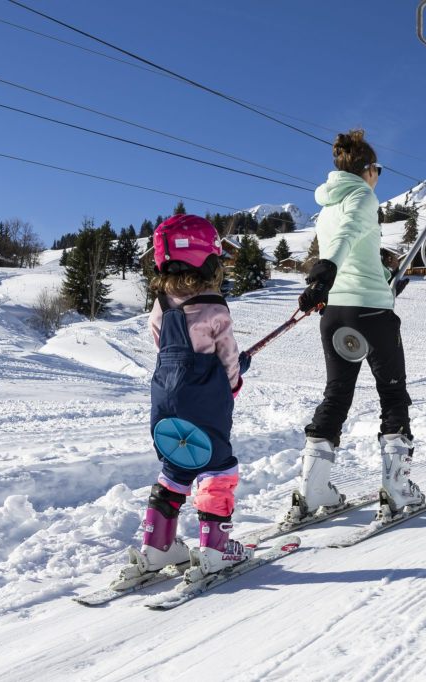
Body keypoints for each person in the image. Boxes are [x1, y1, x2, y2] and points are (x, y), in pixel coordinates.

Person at [287, 129, 424, 522]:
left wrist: (384, 274)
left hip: (336, 313)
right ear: (366, 169)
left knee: (337, 393)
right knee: (392, 395)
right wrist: (324, 270)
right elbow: (344, 242)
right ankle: (398, 488)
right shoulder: (364, 196)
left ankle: (313, 489)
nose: (378, 175)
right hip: (372, 313)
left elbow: (350, 248)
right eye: (377, 169)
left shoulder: (329, 204)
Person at [117, 215, 252, 585]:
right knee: (216, 466)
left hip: (164, 400)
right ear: (207, 259)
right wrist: (235, 381)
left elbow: (164, 344)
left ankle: (157, 545)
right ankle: (215, 547)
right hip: (204, 401)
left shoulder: (161, 305)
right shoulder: (215, 308)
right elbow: (227, 359)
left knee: (177, 465)